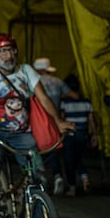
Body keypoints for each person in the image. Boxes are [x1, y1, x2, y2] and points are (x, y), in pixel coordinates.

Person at [0, 34, 75, 218]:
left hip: (22, 134)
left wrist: (58, 121)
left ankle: (36, 204)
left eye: (10, 50)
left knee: (38, 176)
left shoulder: (26, 71)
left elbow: (43, 98)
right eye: (2, 51)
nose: (8, 55)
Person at [33, 57, 79, 196]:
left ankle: (42, 178)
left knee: (36, 148)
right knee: (54, 147)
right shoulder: (57, 81)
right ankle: (58, 175)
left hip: (38, 121)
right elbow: (75, 96)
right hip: (56, 119)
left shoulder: (34, 82)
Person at [60, 74, 98, 197]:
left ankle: (72, 188)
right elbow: (91, 120)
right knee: (77, 158)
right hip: (83, 134)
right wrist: (94, 135)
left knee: (69, 161)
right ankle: (84, 177)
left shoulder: (64, 102)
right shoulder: (86, 102)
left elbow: (62, 119)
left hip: (70, 135)